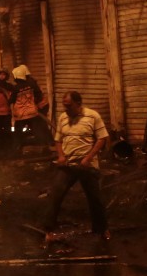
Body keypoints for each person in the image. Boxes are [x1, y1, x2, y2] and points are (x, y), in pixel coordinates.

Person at [43, 91, 110, 242]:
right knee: (55, 194)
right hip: (68, 165)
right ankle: (49, 231)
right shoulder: (63, 117)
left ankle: (102, 230)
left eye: (69, 106)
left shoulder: (92, 116)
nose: (66, 109)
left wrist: (88, 158)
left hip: (87, 165)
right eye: (64, 106)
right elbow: (58, 140)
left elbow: (102, 139)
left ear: (78, 104)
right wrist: (60, 156)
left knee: (95, 198)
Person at [10, 64, 52, 153]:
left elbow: (11, 100)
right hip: (33, 111)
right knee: (40, 128)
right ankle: (45, 145)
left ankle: (16, 148)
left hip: (22, 114)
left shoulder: (18, 87)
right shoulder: (32, 83)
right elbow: (37, 94)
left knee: (18, 131)